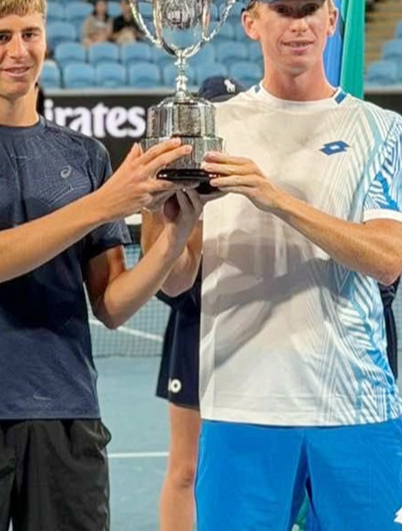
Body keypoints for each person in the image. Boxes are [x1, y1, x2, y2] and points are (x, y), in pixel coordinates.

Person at [0, 0, 199, 530]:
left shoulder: (85, 156)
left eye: (30, 33)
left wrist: (176, 232)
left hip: (69, 415)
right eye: (0, 36)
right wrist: (104, 204)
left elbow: (112, 304)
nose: (19, 51)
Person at [147, 0, 402, 530]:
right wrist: (162, 212)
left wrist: (276, 198)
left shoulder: (382, 130)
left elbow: (388, 259)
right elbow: (176, 279)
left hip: (356, 407)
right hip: (240, 403)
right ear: (252, 22)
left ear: (332, 19)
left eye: (310, 7)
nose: (298, 23)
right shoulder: (210, 125)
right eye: (283, 8)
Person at [150, 75, 245, 531]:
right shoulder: (177, 185)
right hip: (193, 325)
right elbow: (170, 280)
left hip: (252, 329)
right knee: (186, 466)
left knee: (245, 464)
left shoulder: (252, 183)